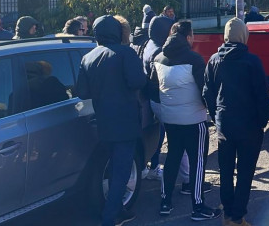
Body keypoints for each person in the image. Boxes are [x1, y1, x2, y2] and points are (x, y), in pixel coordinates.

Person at [74, 15, 147, 226]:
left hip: (103, 122)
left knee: (114, 169)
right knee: (121, 171)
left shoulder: (88, 57)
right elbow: (138, 81)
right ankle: (110, 217)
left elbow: (82, 92)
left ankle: (118, 209)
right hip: (125, 121)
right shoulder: (125, 53)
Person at [152, 21, 221, 221]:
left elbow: (153, 88)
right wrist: (213, 112)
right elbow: (205, 90)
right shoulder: (195, 60)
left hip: (170, 118)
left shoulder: (158, 58)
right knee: (198, 161)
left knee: (173, 157)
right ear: (188, 37)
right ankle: (198, 205)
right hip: (194, 119)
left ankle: (165, 201)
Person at [203, 18, 269, 226]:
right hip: (249, 125)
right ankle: (238, 216)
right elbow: (262, 95)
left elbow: (208, 92)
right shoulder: (252, 61)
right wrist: (262, 121)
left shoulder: (214, 60)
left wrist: (216, 116)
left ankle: (228, 211)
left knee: (225, 169)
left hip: (225, 123)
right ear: (244, 36)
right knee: (245, 171)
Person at [141, 15, 176, 181]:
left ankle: (152, 165)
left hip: (151, 97)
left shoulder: (149, 43)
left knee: (158, 134)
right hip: (158, 98)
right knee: (169, 136)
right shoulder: (158, 51)